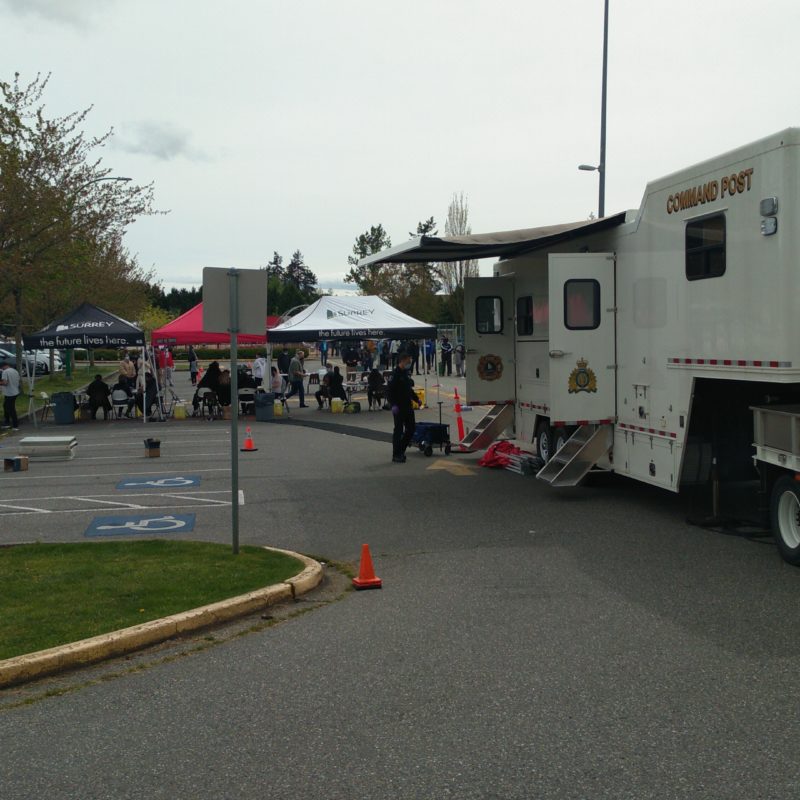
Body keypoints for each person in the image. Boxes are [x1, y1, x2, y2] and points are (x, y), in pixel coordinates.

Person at [386, 351, 419, 462]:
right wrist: (393, 405)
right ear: (403, 361)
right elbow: (389, 391)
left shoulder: (405, 373)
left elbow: (408, 389)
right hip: (399, 407)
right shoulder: (394, 375)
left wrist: (416, 399)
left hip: (408, 406)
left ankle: (401, 449)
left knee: (411, 429)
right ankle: (396, 454)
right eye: (408, 361)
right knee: (398, 430)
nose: (410, 363)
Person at [0, 359, 21, 431]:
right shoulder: (15, 371)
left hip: (10, 393)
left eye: (1, 368)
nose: (1, 369)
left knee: (10, 408)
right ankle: (7, 422)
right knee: (5, 406)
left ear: (4, 366)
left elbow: (5, 383)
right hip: (15, 391)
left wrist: (0, 383)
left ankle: (15, 425)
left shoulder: (5, 372)